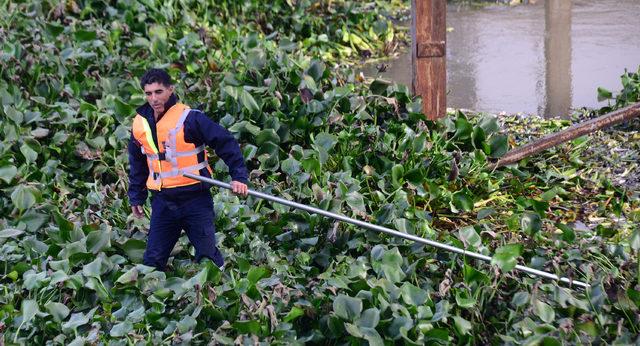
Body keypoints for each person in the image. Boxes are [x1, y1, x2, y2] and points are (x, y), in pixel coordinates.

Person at [127, 68, 248, 271]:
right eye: (148, 93)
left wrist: (239, 177)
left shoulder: (190, 119)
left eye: (159, 92)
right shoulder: (140, 124)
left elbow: (226, 142)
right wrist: (136, 197)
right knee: (152, 262)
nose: (154, 98)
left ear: (170, 90)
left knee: (208, 259)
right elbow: (138, 163)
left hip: (195, 199)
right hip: (162, 201)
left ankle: (218, 294)